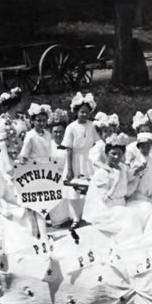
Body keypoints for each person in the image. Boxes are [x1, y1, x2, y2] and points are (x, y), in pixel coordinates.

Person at [82, 133, 144, 239]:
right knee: (131, 218)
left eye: (119, 154)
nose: (116, 157)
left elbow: (126, 191)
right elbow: (105, 200)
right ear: (106, 153)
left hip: (120, 207)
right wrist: (116, 182)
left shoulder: (122, 168)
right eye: (113, 153)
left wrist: (137, 175)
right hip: (106, 211)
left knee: (146, 208)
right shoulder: (102, 172)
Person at [63, 92, 100, 228]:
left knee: (88, 188)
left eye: (87, 112)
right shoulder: (71, 127)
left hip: (88, 159)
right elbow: (69, 149)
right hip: (75, 159)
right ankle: (75, 218)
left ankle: (87, 216)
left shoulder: (92, 125)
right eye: (82, 112)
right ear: (76, 112)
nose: (84, 115)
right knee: (74, 189)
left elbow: (97, 143)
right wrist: (70, 169)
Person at [125, 131, 152, 224]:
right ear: (138, 147)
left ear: (151, 147)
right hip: (139, 193)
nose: (145, 149)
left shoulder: (151, 159)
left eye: (148, 146)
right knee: (140, 216)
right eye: (143, 146)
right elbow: (128, 177)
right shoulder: (135, 160)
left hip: (151, 193)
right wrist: (138, 170)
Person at [48, 108, 72, 227]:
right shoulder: (47, 145)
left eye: (61, 132)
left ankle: (72, 216)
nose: (58, 134)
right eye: (55, 132)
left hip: (67, 175)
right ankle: (58, 218)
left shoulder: (69, 145)